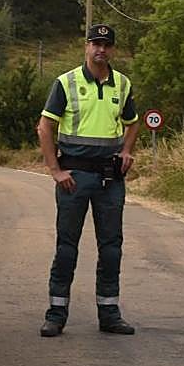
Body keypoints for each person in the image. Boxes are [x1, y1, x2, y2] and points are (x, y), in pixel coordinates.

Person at [37, 23, 140, 337]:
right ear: (86, 46)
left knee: (111, 248)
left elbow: (132, 123)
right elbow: (45, 128)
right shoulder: (66, 82)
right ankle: (56, 314)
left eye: (107, 45)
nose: (101, 50)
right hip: (74, 177)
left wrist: (126, 150)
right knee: (67, 247)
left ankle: (109, 313)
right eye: (96, 43)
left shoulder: (122, 84)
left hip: (110, 178)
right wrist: (55, 170)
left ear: (113, 49)